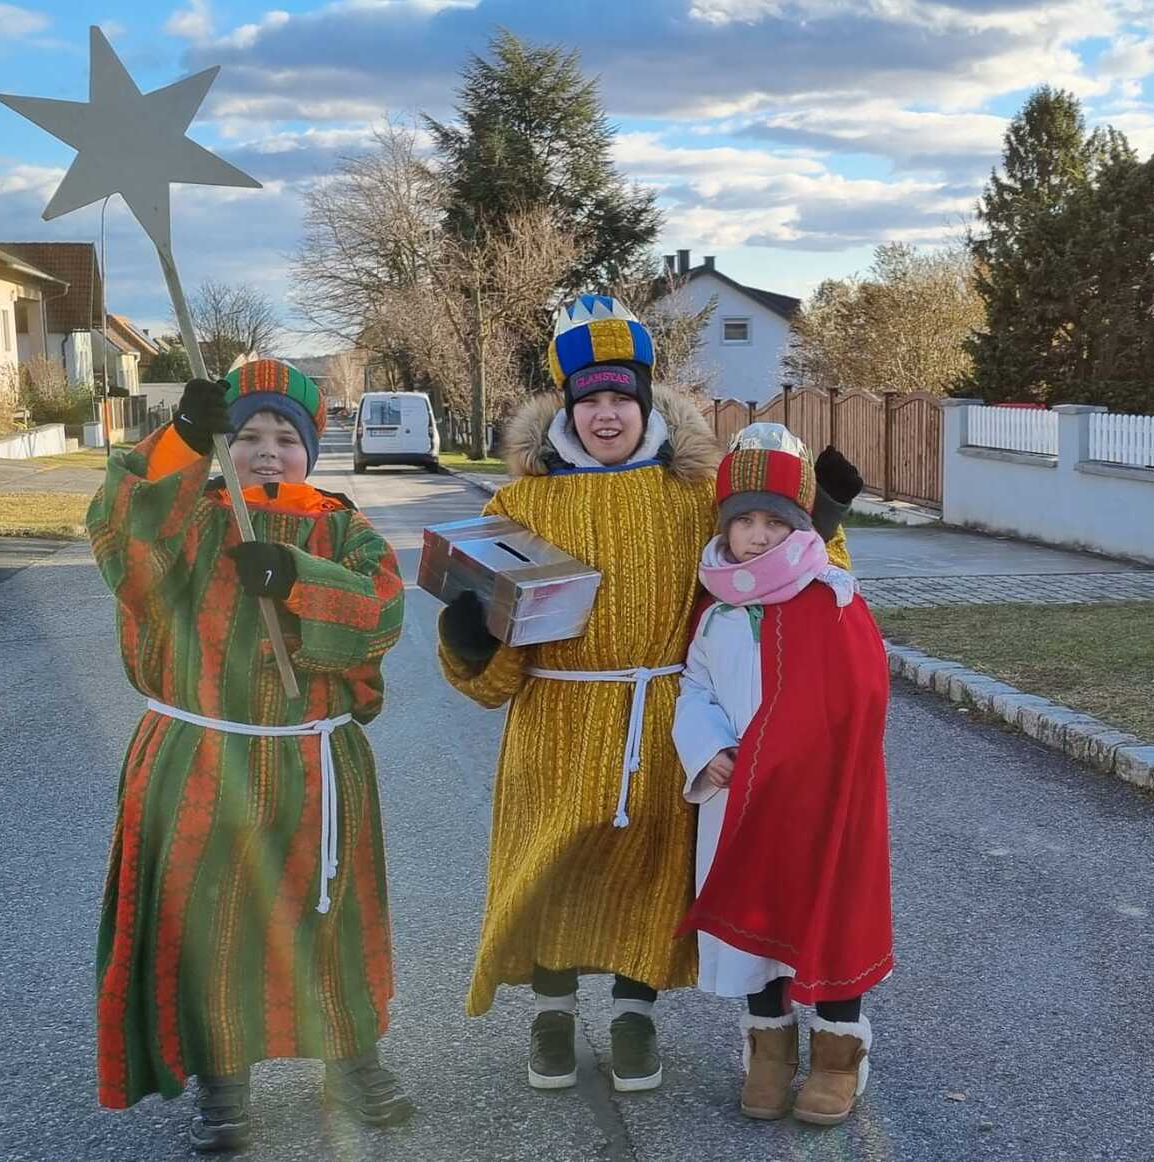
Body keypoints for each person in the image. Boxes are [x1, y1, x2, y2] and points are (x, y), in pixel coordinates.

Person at [436, 296, 863, 1095]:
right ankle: (553, 1014)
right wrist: (471, 641)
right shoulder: (521, 503)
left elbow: (776, 564)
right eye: (589, 399)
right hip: (557, 718)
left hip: (660, 718)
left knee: (647, 871)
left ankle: (635, 1017)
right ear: (567, 408)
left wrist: (826, 520)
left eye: (620, 398)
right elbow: (493, 635)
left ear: (644, 403)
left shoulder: (690, 498)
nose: (606, 414)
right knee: (552, 866)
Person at [86, 359, 412, 1152]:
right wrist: (180, 441)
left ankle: (351, 1061)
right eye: (247, 434)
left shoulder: (343, 528)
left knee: (328, 917)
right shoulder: (192, 521)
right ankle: (222, 1082)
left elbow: (381, 613)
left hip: (314, 766)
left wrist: (298, 576)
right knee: (211, 923)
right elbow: (123, 543)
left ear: (312, 450)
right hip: (203, 759)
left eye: (285, 438)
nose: (267, 451)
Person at [673, 423, 892, 1127]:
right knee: (753, 919)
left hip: (816, 798)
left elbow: (862, 692)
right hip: (738, 794)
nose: (758, 538)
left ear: (801, 528)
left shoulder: (830, 595)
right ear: (725, 529)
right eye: (745, 523)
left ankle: (838, 1055)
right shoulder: (717, 610)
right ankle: (768, 1051)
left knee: (826, 912)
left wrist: (798, 754)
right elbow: (695, 688)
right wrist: (706, 747)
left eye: (775, 523)